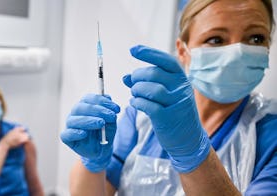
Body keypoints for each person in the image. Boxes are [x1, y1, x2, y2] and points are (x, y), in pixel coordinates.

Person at [60, 0, 277, 195]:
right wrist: (93, 164)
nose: (236, 52)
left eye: (256, 38)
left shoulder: (271, 136)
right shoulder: (144, 115)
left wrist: (193, 153)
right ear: (182, 51)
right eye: (216, 39)